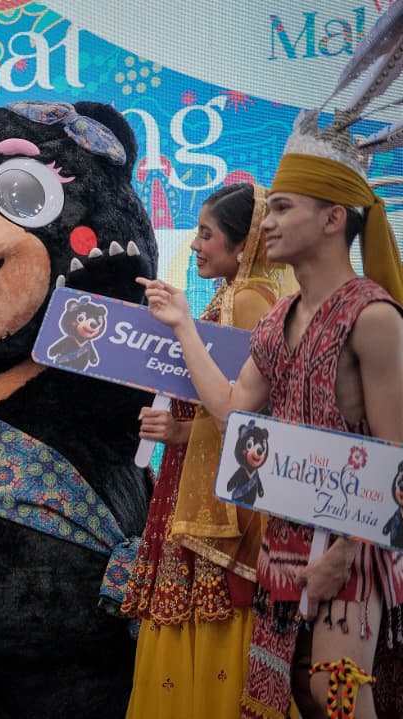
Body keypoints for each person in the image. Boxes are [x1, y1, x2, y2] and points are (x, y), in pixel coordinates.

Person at [138, 146, 403, 719]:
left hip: (355, 541)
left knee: (335, 691)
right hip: (283, 538)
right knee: (278, 692)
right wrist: (183, 325)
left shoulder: (374, 318)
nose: (269, 223)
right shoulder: (277, 319)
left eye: (283, 208)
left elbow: (397, 461)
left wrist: (346, 554)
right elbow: (234, 414)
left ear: (333, 219)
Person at [122, 183, 288, 718]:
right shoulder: (232, 295)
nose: (194, 245)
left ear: (243, 245)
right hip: (200, 487)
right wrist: (179, 432)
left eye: (206, 234)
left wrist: (184, 430)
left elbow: (251, 421)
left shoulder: (249, 299)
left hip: (223, 505)